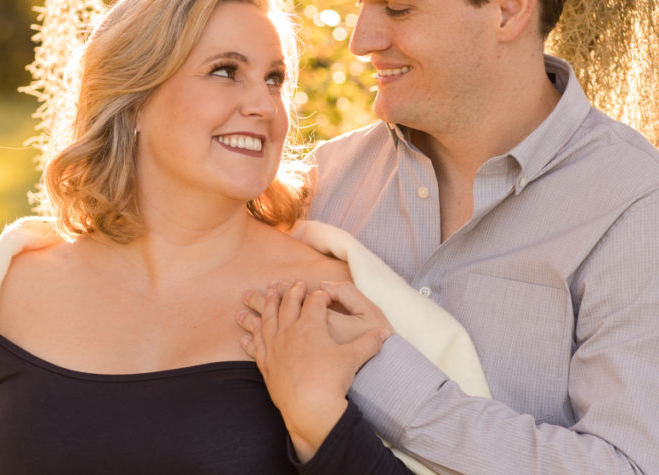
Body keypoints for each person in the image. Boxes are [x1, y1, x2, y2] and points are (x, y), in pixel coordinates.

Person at [0, 0, 429, 473]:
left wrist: (319, 423)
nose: (264, 106)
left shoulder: (330, 299)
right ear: (135, 97)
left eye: (275, 79)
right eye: (226, 70)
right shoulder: (5, 294)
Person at [238, 0, 659, 473]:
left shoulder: (635, 204)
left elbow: (629, 466)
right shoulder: (318, 184)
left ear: (507, 10)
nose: (361, 41)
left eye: (397, 9)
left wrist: (379, 371)